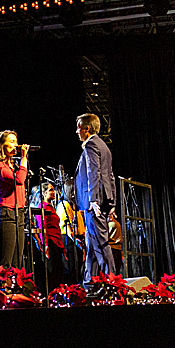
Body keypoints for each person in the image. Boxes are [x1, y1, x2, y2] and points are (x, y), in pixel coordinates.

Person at [74, 113, 117, 287]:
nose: (76, 131)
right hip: (102, 199)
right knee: (91, 244)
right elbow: (110, 175)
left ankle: (112, 280)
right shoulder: (103, 145)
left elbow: (94, 171)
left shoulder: (91, 144)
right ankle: (88, 281)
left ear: (87, 129)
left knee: (100, 241)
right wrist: (112, 202)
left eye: (79, 127)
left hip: (94, 202)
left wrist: (93, 200)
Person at [0, 130, 30, 273]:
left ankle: (15, 292)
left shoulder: (14, 166)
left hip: (18, 214)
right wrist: (24, 159)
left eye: (16, 141)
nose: (16, 145)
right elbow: (19, 180)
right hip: (5, 215)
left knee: (17, 262)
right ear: (1, 145)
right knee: (6, 262)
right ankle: (0, 292)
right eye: (12, 142)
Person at [31, 181, 66, 294]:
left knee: (58, 272)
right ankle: (49, 296)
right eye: (50, 190)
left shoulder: (52, 207)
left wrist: (62, 247)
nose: (54, 192)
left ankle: (57, 295)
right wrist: (45, 244)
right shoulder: (42, 207)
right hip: (50, 242)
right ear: (44, 193)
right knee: (51, 273)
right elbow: (42, 227)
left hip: (57, 243)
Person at [107, 208, 123, 277]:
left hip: (115, 248)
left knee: (115, 271)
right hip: (114, 248)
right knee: (115, 271)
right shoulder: (111, 223)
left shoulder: (112, 223)